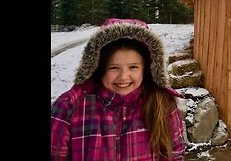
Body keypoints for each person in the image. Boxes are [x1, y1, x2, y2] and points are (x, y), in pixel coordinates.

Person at [51, 18, 186, 160]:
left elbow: (175, 155)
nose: (123, 77)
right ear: (98, 67)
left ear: (146, 69)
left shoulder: (162, 104)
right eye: (114, 68)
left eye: (133, 67)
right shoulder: (69, 107)